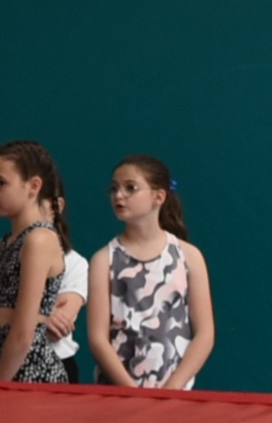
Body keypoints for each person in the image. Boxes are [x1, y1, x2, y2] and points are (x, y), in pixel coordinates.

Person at [87, 156, 213, 390]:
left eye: (130, 188)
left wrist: (173, 388)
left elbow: (205, 333)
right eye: (114, 188)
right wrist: (132, 392)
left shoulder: (188, 256)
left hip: (175, 394)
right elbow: (97, 338)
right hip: (118, 393)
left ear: (159, 196)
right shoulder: (103, 260)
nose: (119, 195)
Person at [0, 140, 71, 383]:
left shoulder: (39, 240)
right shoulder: (6, 242)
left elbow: (23, 333)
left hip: (32, 371)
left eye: (0, 183)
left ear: (33, 186)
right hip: (4, 369)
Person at [0, 241, 88, 377]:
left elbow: (57, 329)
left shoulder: (74, 262)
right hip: (2, 362)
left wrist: (2, 312)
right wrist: (40, 315)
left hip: (57, 366)